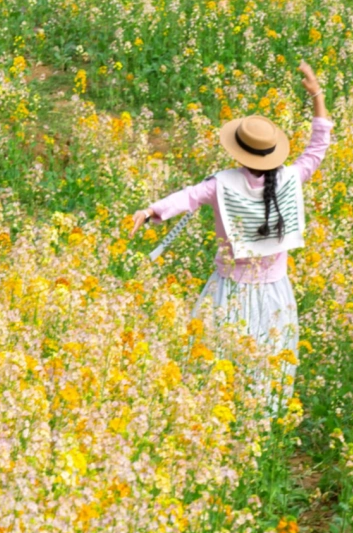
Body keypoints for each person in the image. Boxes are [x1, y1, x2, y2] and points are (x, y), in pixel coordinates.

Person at [132, 62, 332, 407]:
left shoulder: (221, 184)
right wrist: (317, 94)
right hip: (275, 291)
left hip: (228, 290)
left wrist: (151, 210)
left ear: (239, 152)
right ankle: (262, 416)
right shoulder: (290, 178)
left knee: (217, 355)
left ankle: (212, 413)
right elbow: (318, 147)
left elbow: (187, 196)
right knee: (268, 358)